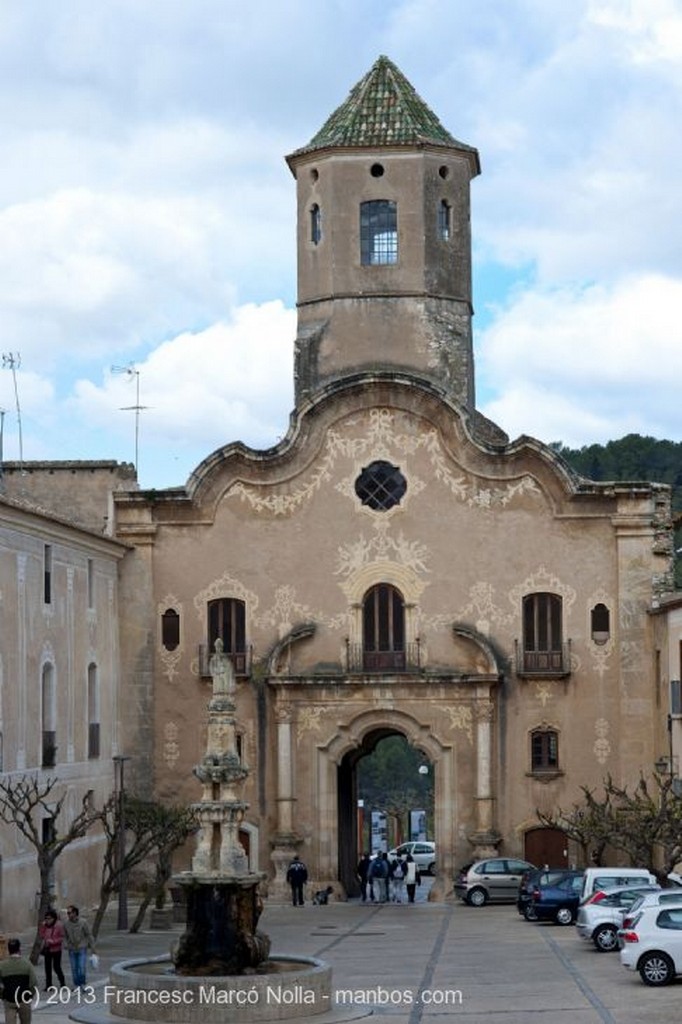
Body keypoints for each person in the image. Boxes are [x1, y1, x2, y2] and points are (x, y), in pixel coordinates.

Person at [0, 938, 38, 1024]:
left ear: (8, 950)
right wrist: (30, 996)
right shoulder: (27, 964)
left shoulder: (2, 966)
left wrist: (2, 995)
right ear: (19, 949)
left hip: (9, 1000)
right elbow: (34, 983)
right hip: (24, 999)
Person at [63, 905, 96, 990]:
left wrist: (93, 948)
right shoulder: (66, 924)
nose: (68, 914)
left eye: (69, 912)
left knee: (81, 966)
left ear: (74, 913)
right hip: (72, 948)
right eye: (67, 913)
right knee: (74, 968)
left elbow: (89, 934)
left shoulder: (83, 922)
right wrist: (65, 944)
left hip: (82, 947)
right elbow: (65, 936)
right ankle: (77, 985)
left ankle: (82, 983)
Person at [39, 909, 66, 990]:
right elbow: (42, 935)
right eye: (46, 918)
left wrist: (53, 941)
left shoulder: (59, 925)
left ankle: (62, 983)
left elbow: (62, 937)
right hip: (48, 949)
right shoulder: (45, 926)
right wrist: (43, 927)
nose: (48, 920)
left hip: (56, 949)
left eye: (49, 918)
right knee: (47, 967)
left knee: (56, 967)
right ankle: (48, 985)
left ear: (54, 918)